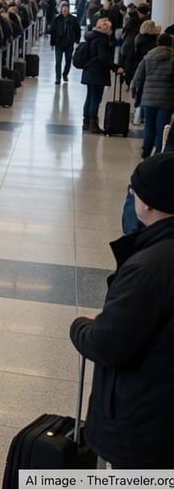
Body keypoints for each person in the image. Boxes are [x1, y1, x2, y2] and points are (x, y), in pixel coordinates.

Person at [69, 154, 174, 469]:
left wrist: (80, 326)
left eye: (134, 191)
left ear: (148, 204)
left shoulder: (148, 267)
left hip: (144, 426)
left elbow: (109, 345)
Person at [131, 33, 174, 158]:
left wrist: (135, 95)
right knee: (161, 128)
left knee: (149, 127)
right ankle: (158, 154)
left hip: (148, 99)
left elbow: (138, 78)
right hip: (166, 100)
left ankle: (146, 151)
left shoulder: (148, 57)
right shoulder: (172, 59)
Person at [82, 17, 124, 134]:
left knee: (90, 97)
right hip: (97, 73)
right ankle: (93, 123)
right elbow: (104, 58)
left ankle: (86, 121)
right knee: (95, 98)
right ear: (105, 29)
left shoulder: (91, 37)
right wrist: (116, 67)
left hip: (89, 70)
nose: (111, 30)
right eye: (110, 28)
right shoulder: (101, 40)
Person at [50, 2, 81, 84]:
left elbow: (78, 30)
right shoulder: (57, 19)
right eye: (63, 10)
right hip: (59, 43)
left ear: (68, 10)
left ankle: (65, 74)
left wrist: (77, 41)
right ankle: (58, 78)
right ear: (61, 10)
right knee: (58, 62)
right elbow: (52, 31)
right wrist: (52, 42)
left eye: (66, 10)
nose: (65, 11)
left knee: (68, 62)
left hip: (69, 43)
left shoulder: (73, 19)